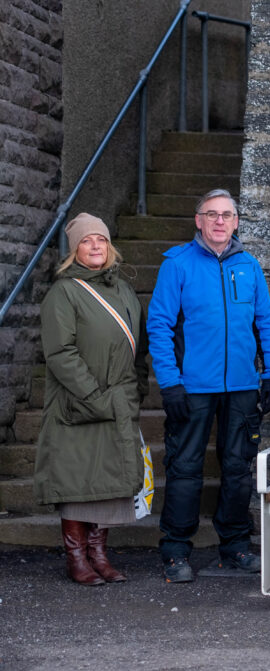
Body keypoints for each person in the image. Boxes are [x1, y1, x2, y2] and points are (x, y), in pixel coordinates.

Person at [147, 189, 270, 583]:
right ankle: (175, 550)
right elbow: (159, 325)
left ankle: (235, 545)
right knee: (185, 467)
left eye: (227, 215)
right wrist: (170, 383)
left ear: (236, 221)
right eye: (212, 214)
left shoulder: (249, 266)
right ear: (198, 220)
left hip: (242, 386)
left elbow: (264, 324)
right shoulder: (178, 265)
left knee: (238, 468)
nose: (220, 221)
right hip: (193, 387)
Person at [35, 213, 149, 585]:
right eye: (87, 241)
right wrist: (93, 394)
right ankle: (76, 558)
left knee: (108, 482)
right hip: (77, 402)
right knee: (76, 481)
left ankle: (99, 554)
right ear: (75, 250)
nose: (96, 246)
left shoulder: (124, 291)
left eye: (101, 239)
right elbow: (60, 353)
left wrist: (136, 391)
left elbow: (138, 348)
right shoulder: (63, 293)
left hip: (116, 400)